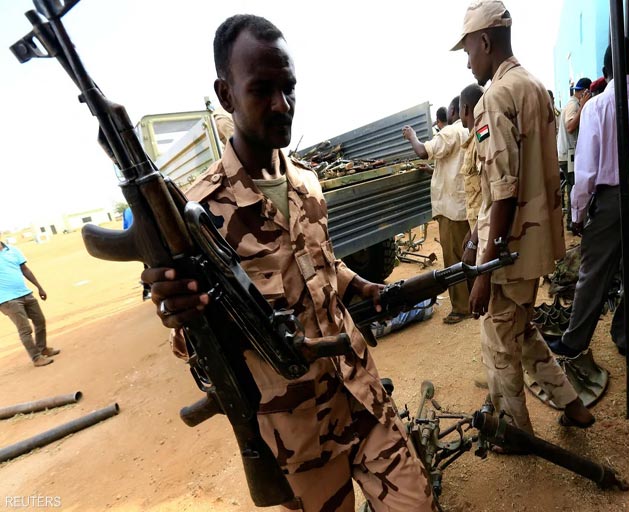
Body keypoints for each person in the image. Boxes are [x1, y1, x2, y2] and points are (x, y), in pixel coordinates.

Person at [141, 15, 436, 512]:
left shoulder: (308, 182)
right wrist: (178, 310)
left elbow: (321, 265)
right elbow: (197, 345)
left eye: (289, 87)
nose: (282, 104)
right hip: (299, 437)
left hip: (362, 395)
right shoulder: (200, 214)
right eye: (262, 90)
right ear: (226, 94)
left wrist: (360, 284)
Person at [452, 0, 595, 432]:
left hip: (507, 254)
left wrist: (484, 270)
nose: (468, 63)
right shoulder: (533, 86)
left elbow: (503, 191)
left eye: (468, 52)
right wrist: (476, 240)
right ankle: (573, 405)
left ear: (484, 41)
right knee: (521, 331)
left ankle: (515, 432)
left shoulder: (494, 99)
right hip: (532, 246)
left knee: (499, 345)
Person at [549, 37, 629, 359]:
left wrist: (578, 214)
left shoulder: (597, 106)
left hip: (613, 197)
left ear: (605, 70)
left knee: (595, 270)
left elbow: (586, 169)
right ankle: (624, 335)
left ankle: (575, 340)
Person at [403, 96, 471, 324]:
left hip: (450, 209)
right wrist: (431, 170)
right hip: (463, 206)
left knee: (453, 260)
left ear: (453, 111)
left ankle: (461, 307)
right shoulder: (467, 131)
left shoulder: (450, 132)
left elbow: (423, 151)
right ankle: (472, 299)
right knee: (467, 255)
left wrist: (412, 136)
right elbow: (453, 168)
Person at [0, 241, 59, 367]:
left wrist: (39, 287)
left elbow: (25, 270)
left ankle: (42, 349)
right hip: (8, 300)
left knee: (40, 321)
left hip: (25, 293)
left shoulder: (13, 250)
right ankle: (36, 358)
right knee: (25, 329)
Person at [557, 76, 592, 225]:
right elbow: (570, 127)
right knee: (574, 187)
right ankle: (573, 221)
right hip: (568, 155)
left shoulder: (573, 104)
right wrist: (583, 107)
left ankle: (572, 220)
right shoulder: (573, 105)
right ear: (584, 92)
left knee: (572, 187)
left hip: (567, 154)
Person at [459, 83, 485, 230]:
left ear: (465, 109)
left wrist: (473, 238)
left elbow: (489, 193)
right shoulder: (474, 139)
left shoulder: (481, 138)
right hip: (478, 227)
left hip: (484, 229)